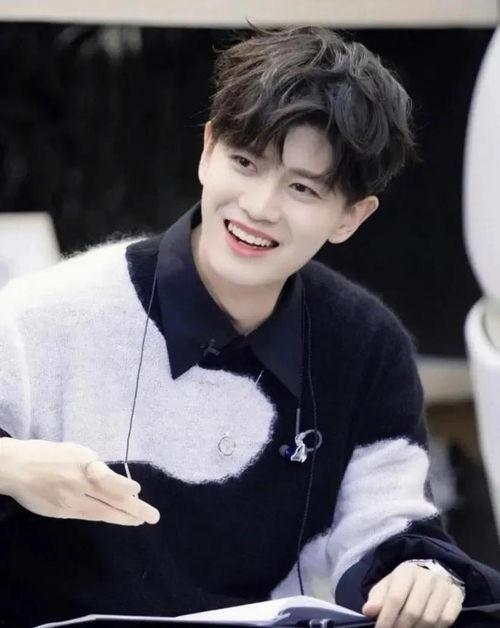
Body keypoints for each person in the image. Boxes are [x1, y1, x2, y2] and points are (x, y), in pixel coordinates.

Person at [0, 25, 499, 628]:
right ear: (207, 150)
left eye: (302, 188)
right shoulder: (42, 317)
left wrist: (421, 575)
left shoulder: (365, 344)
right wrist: (10, 466)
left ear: (351, 216)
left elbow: (388, 529)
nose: (260, 208)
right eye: (245, 162)